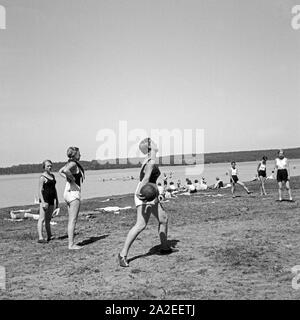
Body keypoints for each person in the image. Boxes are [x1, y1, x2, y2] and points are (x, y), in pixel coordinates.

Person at [118, 138, 172, 267]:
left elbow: (150, 180)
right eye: (153, 142)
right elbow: (146, 178)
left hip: (150, 193)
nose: (156, 143)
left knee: (163, 218)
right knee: (141, 225)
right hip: (145, 194)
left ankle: (165, 247)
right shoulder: (150, 160)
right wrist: (141, 195)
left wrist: (157, 194)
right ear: (150, 146)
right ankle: (122, 254)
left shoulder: (150, 157)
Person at [59, 147, 85, 250]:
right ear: (74, 155)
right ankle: (71, 244)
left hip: (67, 192)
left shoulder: (69, 163)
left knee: (71, 220)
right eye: (79, 154)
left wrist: (68, 177)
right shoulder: (73, 164)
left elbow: (60, 171)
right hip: (73, 193)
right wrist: (72, 178)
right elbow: (65, 171)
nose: (81, 155)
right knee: (73, 220)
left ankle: (71, 243)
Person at [37, 160, 59, 243]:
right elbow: (39, 191)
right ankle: (40, 237)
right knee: (41, 219)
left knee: (48, 219)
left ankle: (50, 235)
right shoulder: (42, 177)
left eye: (50, 166)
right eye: (48, 166)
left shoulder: (53, 176)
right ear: (44, 167)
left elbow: (54, 189)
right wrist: (42, 202)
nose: (49, 167)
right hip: (45, 200)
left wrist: (57, 200)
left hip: (51, 200)